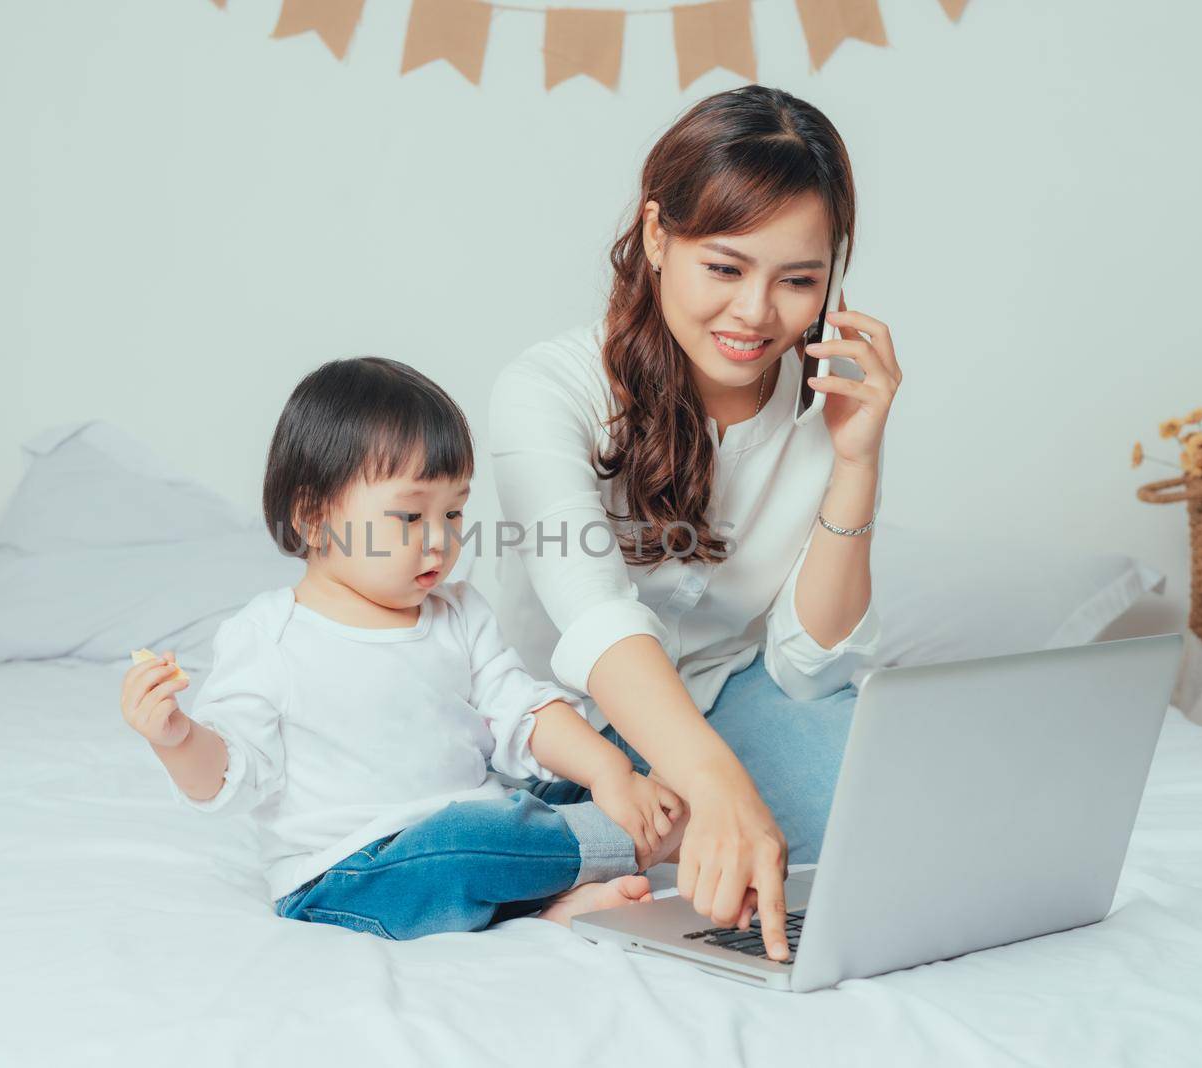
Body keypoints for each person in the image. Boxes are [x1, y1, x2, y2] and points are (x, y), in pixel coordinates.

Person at [488, 85, 902, 962]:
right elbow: (597, 618)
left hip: (727, 697)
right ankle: (579, 862)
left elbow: (808, 659)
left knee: (895, 827)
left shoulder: (825, 400)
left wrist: (857, 460)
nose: (756, 315)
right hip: (567, 729)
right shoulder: (547, 391)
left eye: (799, 280)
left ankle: (631, 854)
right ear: (656, 236)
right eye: (725, 267)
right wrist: (717, 785)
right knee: (479, 839)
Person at [119, 356, 686, 940]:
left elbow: (522, 713)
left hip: (479, 820)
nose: (440, 540)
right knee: (463, 846)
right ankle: (627, 840)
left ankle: (562, 886)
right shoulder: (268, 636)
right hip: (353, 873)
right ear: (314, 517)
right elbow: (234, 775)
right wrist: (179, 739)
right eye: (410, 515)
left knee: (609, 749)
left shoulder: (459, 611)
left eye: (455, 512)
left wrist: (611, 770)